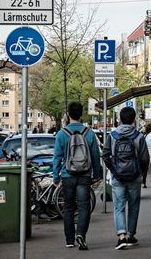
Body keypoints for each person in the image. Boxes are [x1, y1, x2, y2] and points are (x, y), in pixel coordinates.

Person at [53, 102, 101, 250]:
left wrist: (56, 177)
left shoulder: (62, 134)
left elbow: (57, 157)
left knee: (68, 208)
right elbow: (95, 156)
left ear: (68, 115)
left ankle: (69, 240)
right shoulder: (89, 133)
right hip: (85, 175)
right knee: (84, 207)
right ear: (81, 114)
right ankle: (81, 234)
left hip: (68, 175)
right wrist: (96, 174)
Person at [102, 107, 149, 250]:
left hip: (118, 177)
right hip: (135, 177)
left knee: (119, 206)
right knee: (134, 206)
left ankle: (121, 236)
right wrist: (141, 173)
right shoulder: (139, 136)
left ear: (120, 119)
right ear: (134, 119)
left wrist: (114, 170)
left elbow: (105, 155)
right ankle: (131, 235)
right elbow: (144, 159)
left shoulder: (113, 135)